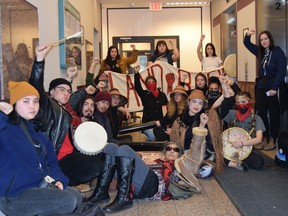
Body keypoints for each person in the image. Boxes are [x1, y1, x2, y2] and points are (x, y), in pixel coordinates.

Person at [87, 114, 208, 213]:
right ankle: (101, 192)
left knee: (124, 149)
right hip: (136, 185)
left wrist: (202, 126)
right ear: (163, 152)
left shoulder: (182, 164)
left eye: (175, 149)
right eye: (168, 149)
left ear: (180, 154)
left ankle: (124, 198)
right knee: (111, 147)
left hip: (153, 186)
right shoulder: (155, 160)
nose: (171, 151)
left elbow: (195, 153)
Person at [0, 81, 82, 215]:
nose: (32, 106)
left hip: (38, 186)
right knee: (68, 201)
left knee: (77, 197)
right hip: (13, 196)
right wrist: (1, 116)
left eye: (36, 101)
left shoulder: (39, 134)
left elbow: (53, 164)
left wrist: (59, 179)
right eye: (26, 101)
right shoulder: (5, 129)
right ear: (14, 104)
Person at [29, 45, 103, 190]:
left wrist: (68, 78)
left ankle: (68, 183)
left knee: (100, 157)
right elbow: (36, 85)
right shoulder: (46, 106)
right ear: (50, 92)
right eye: (61, 90)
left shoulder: (66, 109)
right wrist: (39, 60)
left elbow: (73, 100)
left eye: (68, 91)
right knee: (94, 165)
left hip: (69, 155)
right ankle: (64, 183)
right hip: (55, 158)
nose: (66, 93)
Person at [244, 28, 287, 150]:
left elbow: (282, 71)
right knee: (261, 113)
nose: (263, 41)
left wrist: (275, 87)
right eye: (261, 39)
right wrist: (247, 35)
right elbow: (247, 44)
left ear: (270, 39)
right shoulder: (260, 52)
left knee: (274, 114)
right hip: (261, 87)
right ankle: (264, 137)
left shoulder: (278, 52)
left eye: (265, 39)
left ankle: (273, 138)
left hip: (273, 87)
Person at [223, 91, 265, 171]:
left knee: (259, 163)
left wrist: (241, 143)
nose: (240, 104)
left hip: (247, 148)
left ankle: (231, 160)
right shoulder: (232, 114)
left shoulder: (257, 118)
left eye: (243, 102)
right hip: (231, 146)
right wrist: (225, 92)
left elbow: (259, 139)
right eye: (238, 102)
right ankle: (234, 163)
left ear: (250, 101)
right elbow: (217, 110)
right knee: (216, 154)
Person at [134, 68, 168, 141]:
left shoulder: (162, 95)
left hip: (160, 123)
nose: (151, 83)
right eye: (149, 82)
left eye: (153, 81)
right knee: (153, 138)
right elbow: (137, 87)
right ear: (146, 85)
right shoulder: (144, 94)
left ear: (156, 83)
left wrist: (166, 122)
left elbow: (166, 108)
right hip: (148, 124)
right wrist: (136, 73)